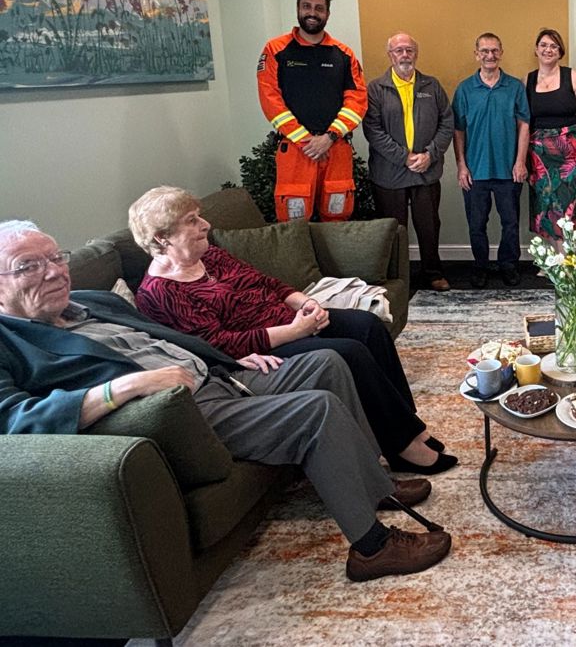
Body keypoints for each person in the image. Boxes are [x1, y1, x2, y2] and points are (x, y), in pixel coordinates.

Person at [0, 220, 452, 581]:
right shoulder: (10, 340)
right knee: (316, 410)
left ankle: (374, 483)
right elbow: (15, 418)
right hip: (182, 412)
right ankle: (372, 549)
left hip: (220, 374)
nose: (55, 271)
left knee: (329, 362)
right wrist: (125, 388)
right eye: (28, 266)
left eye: (56, 258)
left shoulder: (90, 301)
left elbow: (173, 337)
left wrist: (235, 355)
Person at [129, 186, 455, 476]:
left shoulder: (210, 255)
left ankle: (408, 425)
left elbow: (266, 282)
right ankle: (400, 447)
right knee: (350, 353)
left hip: (292, 320)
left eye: (199, 217)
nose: (206, 226)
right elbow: (216, 343)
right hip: (261, 351)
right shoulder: (159, 292)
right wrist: (295, 331)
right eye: (192, 221)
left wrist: (306, 303)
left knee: (367, 325)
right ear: (162, 237)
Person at [257, 0, 367, 223]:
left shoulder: (344, 54)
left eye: (319, 8)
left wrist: (329, 137)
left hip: (335, 148)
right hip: (296, 150)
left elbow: (357, 101)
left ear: (327, 14)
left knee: (337, 216)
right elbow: (270, 99)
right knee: (294, 222)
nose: (312, 13)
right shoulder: (276, 50)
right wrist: (307, 141)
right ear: (298, 9)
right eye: (307, 6)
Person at [363, 31, 454, 293]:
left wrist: (430, 154)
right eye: (399, 50)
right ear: (390, 55)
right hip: (389, 174)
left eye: (409, 50)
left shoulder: (431, 86)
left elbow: (447, 123)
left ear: (416, 53)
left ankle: (433, 273)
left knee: (429, 226)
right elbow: (373, 130)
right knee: (393, 229)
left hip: (426, 172)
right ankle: (397, 279)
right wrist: (405, 157)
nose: (405, 54)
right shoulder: (376, 89)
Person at [452, 32, 530, 289]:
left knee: (510, 223)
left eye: (494, 50)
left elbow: (524, 125)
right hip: (476, 171)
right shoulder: (464, 89)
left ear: (501, 53)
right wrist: (461, 165)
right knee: (476, 225)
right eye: (484, 51)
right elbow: (458, 130)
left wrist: (520, 161)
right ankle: (480, 266)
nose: (490, 55)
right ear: (476, 54)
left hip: (509, 170)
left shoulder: (515, 87)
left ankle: (509, 265)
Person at [526, 27, 576, 245]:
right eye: (544, 45)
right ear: (536, 50)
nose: (548, 50)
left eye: (553, 46)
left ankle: (565, 262)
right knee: (542, 203)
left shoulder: (573, 77)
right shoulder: (526, 81)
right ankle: (549, 263)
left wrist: (569, 137)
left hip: (568, 155)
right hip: (537, 154)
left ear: (560, 51)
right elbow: (523, 121)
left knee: (565, 205)